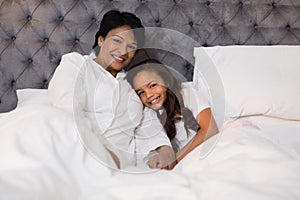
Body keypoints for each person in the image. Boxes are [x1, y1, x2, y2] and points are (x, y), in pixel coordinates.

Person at [48, 10, 175, 170]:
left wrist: (164, 149)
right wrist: (101, 154)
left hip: (124, 168)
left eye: (131, 46)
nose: (123, 51)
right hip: (77, 157)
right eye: (117, 41)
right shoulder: (76, 65)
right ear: (101, 40)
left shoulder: (133, 83)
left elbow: (147, 123)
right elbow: (67, 113)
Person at [126, 59, 219, 167]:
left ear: (166, 82)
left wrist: (175, 159)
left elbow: (210, 129)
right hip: (182, 165)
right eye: (141, 92)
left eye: (152, 85)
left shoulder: (186, 92)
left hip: (201, 153)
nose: (149, 95)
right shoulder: (147, 114)